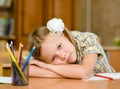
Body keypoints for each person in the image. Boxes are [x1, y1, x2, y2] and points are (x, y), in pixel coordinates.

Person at [28, 18, 115, 79]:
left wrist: (47, 66)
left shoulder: (87, 39)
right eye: (53, 58)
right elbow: (27, 70)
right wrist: (69, 74)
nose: (62, 56)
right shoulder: (44, 52)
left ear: (64, 35)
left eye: (59, 46)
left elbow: (84, 72)